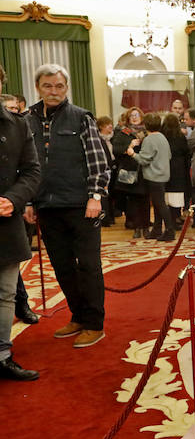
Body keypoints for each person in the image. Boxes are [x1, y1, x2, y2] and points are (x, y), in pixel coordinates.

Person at [24, 63, 110, 348]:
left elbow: (98, 160)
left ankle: (95, 324)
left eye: (59, 86)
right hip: (46, 206)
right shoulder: (27, 120)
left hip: (81, 205)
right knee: (61, 266)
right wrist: (26, 200)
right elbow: (24, 165)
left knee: (88, 266)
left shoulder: (81, 118)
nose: (54, 91)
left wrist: (95, 196)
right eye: (48, 86)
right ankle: (78, 316)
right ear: (38, 87)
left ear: (67, 88)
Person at [0, 63, 41, 380]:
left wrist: (13, 199)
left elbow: (31, 171)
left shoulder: (16, 125)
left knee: (5, 293)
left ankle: (2, 356)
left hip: (5, 220)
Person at [127, 113, 174, 241]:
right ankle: (157, 229)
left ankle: (170, 230)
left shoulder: (149, 139)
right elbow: (169, 155)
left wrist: (132, 153)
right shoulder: (163, 137)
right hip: (163, 174)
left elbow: (143, 159)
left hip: (154, 176)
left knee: (160, 204)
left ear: (146, 125)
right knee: (159, 204)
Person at [112, 107, 151, 239]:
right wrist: (130, 145)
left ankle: (146, 227)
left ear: (141, 117)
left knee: (145, 201)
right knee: (133, 202)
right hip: (130, 172)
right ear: (128, 118)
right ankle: (136, 227)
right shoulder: (123, 133)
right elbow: (116, 150)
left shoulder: (147, 132)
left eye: (137, 115)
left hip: (145, 171)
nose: (134, 118)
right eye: (132, 116)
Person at [161, 113, 190, 230]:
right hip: (179, 168)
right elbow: (186, 152)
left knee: (167, 194)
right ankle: (176, 216)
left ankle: (169, 220)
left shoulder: (162, 136)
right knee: (177, 194)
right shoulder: (180, 136)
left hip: (165, 166)